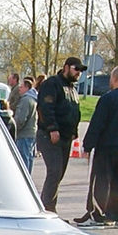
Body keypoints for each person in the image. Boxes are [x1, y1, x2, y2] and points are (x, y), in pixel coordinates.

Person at [78, 66, 118, 228]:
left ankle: (98, 215)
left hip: (106, 146)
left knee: (101, 181)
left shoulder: (107, 99)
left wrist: (87, 146)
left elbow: (97, 124)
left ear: (115, 79)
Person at [35, 56, 84, 213]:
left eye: (81, 71)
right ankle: (47, 209)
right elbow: (45, 107)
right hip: (49, 136)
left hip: (66, 137)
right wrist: (52, 128)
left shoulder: (73, 89)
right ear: (66, 67)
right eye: (76, 69)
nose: (78, 73)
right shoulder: (52, 84)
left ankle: (48, 207)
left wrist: (74, 131)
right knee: (54, 171)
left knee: (59, 174)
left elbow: (74, 112)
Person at [12, 75, 37, 167]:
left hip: (24, 134)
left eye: (21, 87)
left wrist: (14, 129)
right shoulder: (33, 99)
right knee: (29, 157)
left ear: (27, 87)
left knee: (23, 159)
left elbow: (21, 119)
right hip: (31, 133)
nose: (19, 89)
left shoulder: (25, 100)